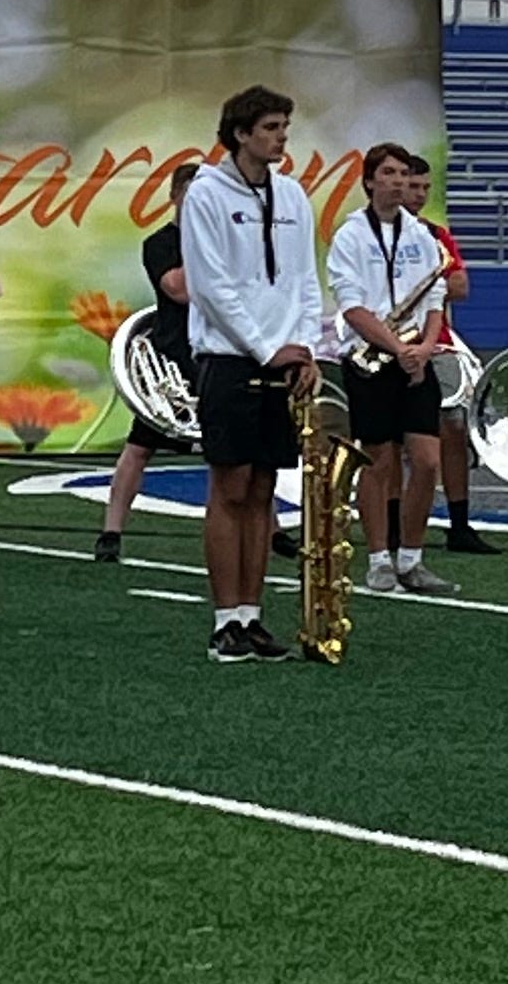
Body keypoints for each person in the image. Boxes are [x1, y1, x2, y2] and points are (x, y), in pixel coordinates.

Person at [179, 85, 323, 663]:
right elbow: (212, 287)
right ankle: (223, 620)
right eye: (270, 128)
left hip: (284, 357)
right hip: (230, 357)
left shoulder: (292, 195)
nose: (280, 138)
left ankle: (252, 615)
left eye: (284, 127)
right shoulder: (206, 195)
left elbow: (305, 281)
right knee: (231, 485)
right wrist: (267, 348)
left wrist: (305, 348)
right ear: (240, 133)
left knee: (265, 489)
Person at [327, 141, 455, 597]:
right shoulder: (350, 236)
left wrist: (422, 347)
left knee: (426, 460)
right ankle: (379, 559)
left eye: (405, 174)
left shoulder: (422, 236)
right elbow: (353, 307)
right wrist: (396, 347)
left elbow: (436, 299)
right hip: (370, 358)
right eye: (390, 174)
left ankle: (412, 558)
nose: (400, 182)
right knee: (378, 462)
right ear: (369, 182)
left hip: (412, 357)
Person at [93, 209, 195, 563]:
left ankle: (272, 532)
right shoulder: (160, 243)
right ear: (180, 197)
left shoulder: (227, 238)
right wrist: (211, 251)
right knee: (139, 448)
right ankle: (111, 531)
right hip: (175, 362)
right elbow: (178, 289)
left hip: (219, 356)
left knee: (237, 453)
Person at [427, 213, 487, 553]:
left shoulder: (435, 234)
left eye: (421, 186)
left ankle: (459, 523)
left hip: (437, 340)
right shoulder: (362, 230)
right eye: (409, 185)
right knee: (387, 441)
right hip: (382, 340)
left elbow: (461, 286)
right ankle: (390, 525)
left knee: (454, 425)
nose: (415, 193)